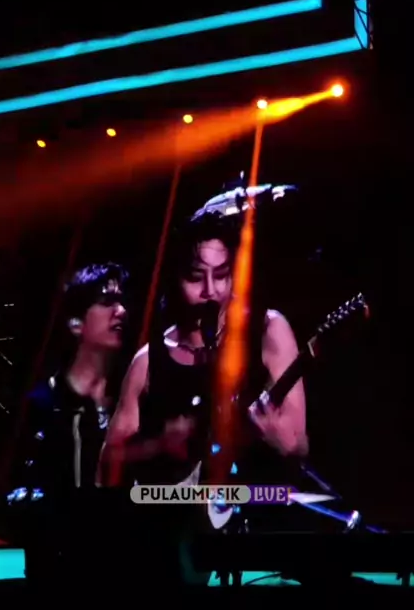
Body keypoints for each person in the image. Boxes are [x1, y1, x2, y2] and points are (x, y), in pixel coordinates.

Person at [99, 211, 308, 585]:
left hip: (256, 531)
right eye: (196, 277)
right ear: (176, 279)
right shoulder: (149, 360)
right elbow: (109, 462)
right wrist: (157, 446)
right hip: (170, 545)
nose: (210, 290)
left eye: (222, 275)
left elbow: (299, 444)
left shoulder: (268, 330)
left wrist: (281, 440)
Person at [7, 262, 129, 589]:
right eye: (107, 301)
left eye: (122, 301)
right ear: (76, 323)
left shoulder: (132, 400)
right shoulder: (42, 404)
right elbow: (19, 496)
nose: (121, 311)